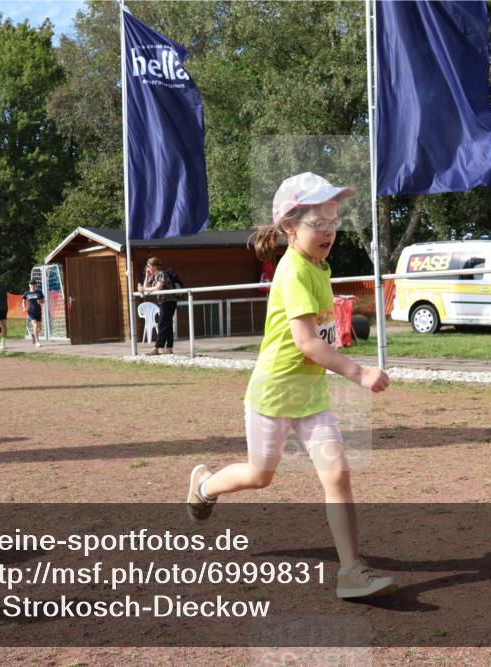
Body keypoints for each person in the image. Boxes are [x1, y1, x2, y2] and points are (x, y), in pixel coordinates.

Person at [185, 172, 396, 600]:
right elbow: (306, 345)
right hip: (275, 393)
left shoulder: (321, 267)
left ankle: (351, 571)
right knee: (260, 477)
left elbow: (319, 338)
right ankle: (204, 487)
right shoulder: (292, 271)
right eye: (318, 223)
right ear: (289, 227)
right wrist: (359, 373)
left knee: (337, 474)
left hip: (312, 396)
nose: (329, 231)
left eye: (333, 221)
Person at [139, 257, 177, 355]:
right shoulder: (153, 276)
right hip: (162, 302)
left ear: (154, 266)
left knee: (162, 324)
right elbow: (146, 286)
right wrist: (147, 276)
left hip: (169, 302)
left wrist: (143, 289)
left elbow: (158, 288)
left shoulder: (162, 274)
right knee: (167, 324)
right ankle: (169, 348)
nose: (147, 268)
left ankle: (156, 348)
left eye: (149, 266)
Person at [22, 279, 45, 348]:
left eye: (34, 284)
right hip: (31, 312)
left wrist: (40, 301)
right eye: (31, 284)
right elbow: (23, 301)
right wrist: (24, 307)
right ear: (29, 285)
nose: (33, 286)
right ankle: (37, 342)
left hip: (38, 312)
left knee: (39, 328)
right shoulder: (26, 293)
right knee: (35, 325)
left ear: (36, 285)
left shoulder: (39, 292)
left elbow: (43, 301)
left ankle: (34, 335)